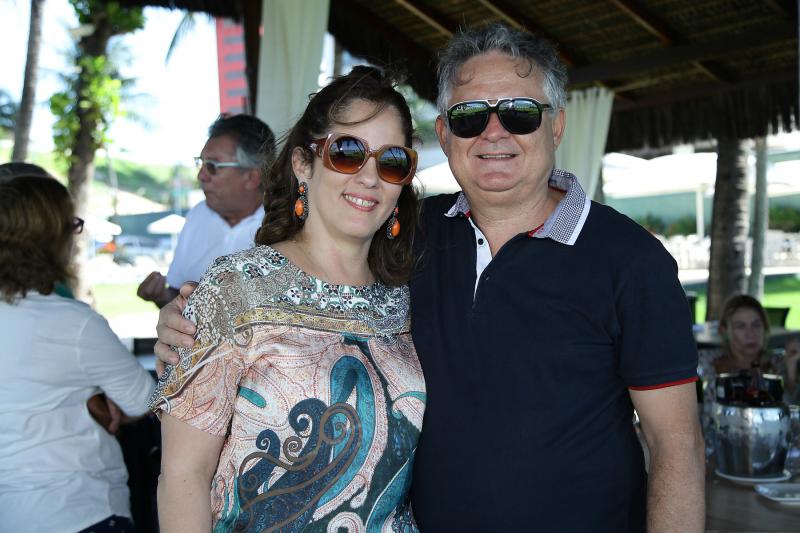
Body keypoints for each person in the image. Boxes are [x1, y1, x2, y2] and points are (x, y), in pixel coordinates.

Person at [154, 24, 705, 532]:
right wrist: (189, 320)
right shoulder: (414, 243)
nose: (494, 133)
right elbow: (187, 464)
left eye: (520, 112)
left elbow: (676, 445)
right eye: (469, 116)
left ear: (556, 124)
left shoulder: (631, 259)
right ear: (445, 134)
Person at [150, 66, 425, 532]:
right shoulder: (235, 287)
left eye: (392, 161)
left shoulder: (406, 297)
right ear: (303, 163)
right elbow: (183, 476)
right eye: (347, 152)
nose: (369, 177)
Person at [0, 175, 155, 532]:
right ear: (51, 239)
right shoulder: (72, 323)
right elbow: (143, 400)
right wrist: (96, 398)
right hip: (78, 508)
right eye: (72, 225)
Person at [137, 114, 276, 307]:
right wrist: (160, 296)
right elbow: (178, 299)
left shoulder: (284, 225)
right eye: (201, 163)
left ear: (252, 177)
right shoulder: (198, 216)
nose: (201, 175)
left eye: (212, 166)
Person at [699, 294, 800, 402]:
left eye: (756, 325)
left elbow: (788, 405)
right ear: (724, 330)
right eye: (740, 326)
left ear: (765, 328)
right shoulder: (706, 361)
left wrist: (791, 371)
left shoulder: (778, 363)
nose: (750, 334)